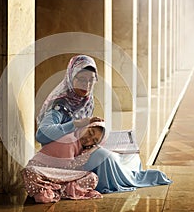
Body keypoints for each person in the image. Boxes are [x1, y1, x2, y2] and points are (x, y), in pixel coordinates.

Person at [33, 55, 172, 197]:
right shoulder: (60, 105)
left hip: (80, 149)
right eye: (81, 79)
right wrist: (76, 123)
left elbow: (83, 134)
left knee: (128, 155)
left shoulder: (85, 100)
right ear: (70, 77)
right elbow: (42, 134)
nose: (86, 85)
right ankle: (127, 178)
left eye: (91, 80)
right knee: (105, 157)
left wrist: (92, 131)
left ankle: (127, 172)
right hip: (62, 159)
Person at [22, 121, 106, 203]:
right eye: (90, 133)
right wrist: (88, 153)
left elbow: (68, 173)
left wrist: (89, 151)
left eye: (94, 141)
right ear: (85, 127)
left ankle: (57, 190)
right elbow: (68, 168)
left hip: (56, 175)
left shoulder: (80, 146)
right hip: (41, 171)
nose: (89, 139)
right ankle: (61, 190)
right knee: (30, 171)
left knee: (92, 177)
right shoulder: (70, 139)